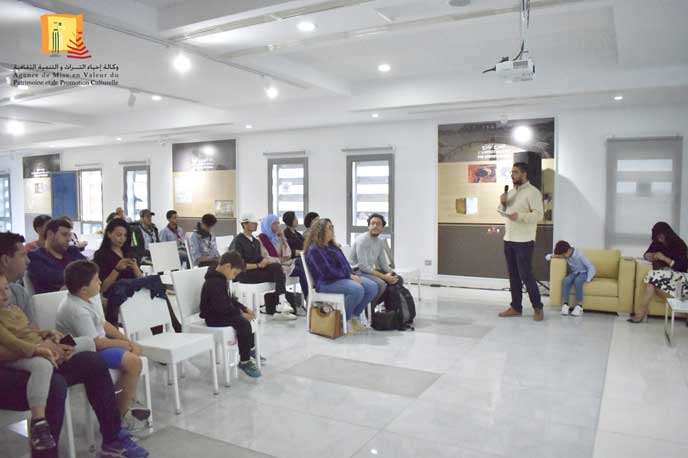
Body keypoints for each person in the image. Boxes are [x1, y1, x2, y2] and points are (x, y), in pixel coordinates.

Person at [0, 232, 149, 457]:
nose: (28, 260)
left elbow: (30, 332)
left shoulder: (18, 293)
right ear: (5, 260)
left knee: (92, 361)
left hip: (36, 358)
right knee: (55, 384)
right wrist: (39, 351)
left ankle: (113, 438)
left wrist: (51, 342)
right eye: (22, 255)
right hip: (10, 370)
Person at [56, 260, 151, 426]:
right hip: (83, 353)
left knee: (135, 351)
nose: (100, 282)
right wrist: (123, 345)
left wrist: (126, 340)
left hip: (97, 345)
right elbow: (96, 344)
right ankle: (120, 415)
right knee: (134, 362)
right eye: (96, 280)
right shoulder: (76, 309)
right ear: (84, 289)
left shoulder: (88, 298)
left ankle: (125, 400)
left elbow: (103, 323)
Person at [93, 218, 180, 331]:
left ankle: (167, 328)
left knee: (155, 285)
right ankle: (174, 325)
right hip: (118, 293)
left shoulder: (128, 252)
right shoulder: (101, 255)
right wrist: (117, 269)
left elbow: (140, 279)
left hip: (135, 290)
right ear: (109, 234)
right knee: (125, 284)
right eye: (119, 235)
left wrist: (135, 268)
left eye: (125, 235)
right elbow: (103, 288)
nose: (122, 239)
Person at [304, 219, 377, 334]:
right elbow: (327, 273)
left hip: (341, 279)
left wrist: (352, 274)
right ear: (320, 230)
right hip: (325, 283)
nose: (332, 230)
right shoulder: (314, 249)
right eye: (329, 228)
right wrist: (349, 276)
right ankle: (344, 320)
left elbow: (346, 265)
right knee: (356, 289)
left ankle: (354, 316)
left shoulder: (333, 247)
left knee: (372, 287)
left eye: (332, 227)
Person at [199, 251, 262, 378]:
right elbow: (221, 307)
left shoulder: (220, 278)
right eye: (234, 273)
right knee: (243, 323)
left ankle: (249, 349)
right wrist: (241, 314)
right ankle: (245, 361)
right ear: (227, 266)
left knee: (246, 321)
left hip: (221, 313)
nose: (233, 277)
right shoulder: (214, 282)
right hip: (213, 318)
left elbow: (229, 300)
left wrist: (244, 308)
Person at [498, 162, 545, 321]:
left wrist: (520, 216)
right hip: (509, 239)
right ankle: (516, 307)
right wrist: (503, 203)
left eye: (516, 172)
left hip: (524, 241)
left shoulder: (533, 192)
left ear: (524, 174)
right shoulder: (511, 193)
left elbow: (539, 215)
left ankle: (538, 308)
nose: (512, 175)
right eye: (512, 172)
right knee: (513, 276)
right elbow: (502, 212)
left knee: (526, 275)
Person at [229, 213, 297, 320]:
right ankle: (280, 304)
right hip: (245, 274)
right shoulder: (238, 241)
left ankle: (282, 302)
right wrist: (258, 265)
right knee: (279, 273)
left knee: (277, 268)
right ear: (245, 224)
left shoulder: (255, 241)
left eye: (256, 223)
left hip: (256, 271)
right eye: (253, 223)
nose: (256, 225)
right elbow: (238, 265)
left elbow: (259, 259)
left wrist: (265, 261)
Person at [629, 222, 688, 323]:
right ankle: (641, 312)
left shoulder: (679, 244)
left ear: (667, 234)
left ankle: (640, 313)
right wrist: (651, 255)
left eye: (661, 236)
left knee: (651, 278)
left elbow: (683, 266)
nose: (659, 239)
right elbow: (645, 254)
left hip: (679, 276)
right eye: (657, 237)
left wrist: (664, 258)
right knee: (652, 283)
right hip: (664, 276)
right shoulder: (657, 242)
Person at [258, 214, 308, 314]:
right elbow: (266, 258)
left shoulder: (278, 237)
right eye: (274, 224)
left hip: (284, 263)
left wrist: (283, 238)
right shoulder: (261, 239)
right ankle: (308, 298)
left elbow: (287, 254)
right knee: (302, 271)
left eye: (278, 223)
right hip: (274, 266)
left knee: (302, 263)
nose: (277, 226)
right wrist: (280, 260)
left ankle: (309, 297)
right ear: (268, 225)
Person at [350, 213, 400, 305]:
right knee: (381, 283)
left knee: (398, 279)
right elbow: (363, 266)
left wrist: (393, 274)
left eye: (378, 224)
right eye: (372, 223)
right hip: (356, 271)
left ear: (382, 228)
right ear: (368, 226)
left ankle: (389, 308)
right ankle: (369, 308)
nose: (375, 226)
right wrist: (384, 277)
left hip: (368, 271)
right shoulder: (362, 240)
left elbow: (383, 264)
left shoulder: (379, 242)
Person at [27, 219, 86, 294]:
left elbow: (89, 270)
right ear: (50, 234)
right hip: (52, 299)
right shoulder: (35, 256)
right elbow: (54, 277)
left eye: (69, 235)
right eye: (64, 235)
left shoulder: (73, 251)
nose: (68, 239)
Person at [552, 240, 595, 317]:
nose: (564, 256)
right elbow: (557, 255)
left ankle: (579, 306)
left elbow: (591, 267)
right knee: (566, 280)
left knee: (577, 281)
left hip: (584, 273)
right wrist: (550, 256)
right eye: (563, 254)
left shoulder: (580, 255)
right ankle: (565, 304)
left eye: (564, 254)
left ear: (569, 250)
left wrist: (589, 278)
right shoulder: (566, 254)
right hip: (574, 273)